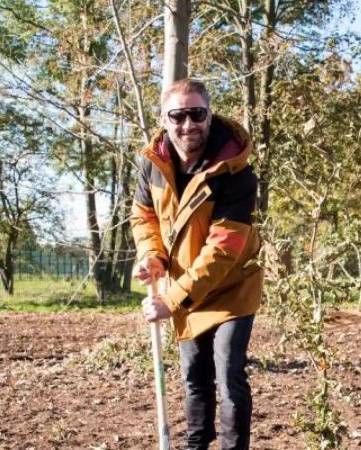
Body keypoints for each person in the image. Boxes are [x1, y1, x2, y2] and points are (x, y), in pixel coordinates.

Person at [130, 78, 263, 450]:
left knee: (229, 373)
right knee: (194, 375)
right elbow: (144, 218)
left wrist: (171, 300)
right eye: (178, 115)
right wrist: (151, 256)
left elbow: (223, 251)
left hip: (231, 287)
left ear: (209, 113)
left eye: (197, 114)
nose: (188, 124)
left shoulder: (237, 173)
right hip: (183, 284)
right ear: (165, 118)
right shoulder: (153, 165)